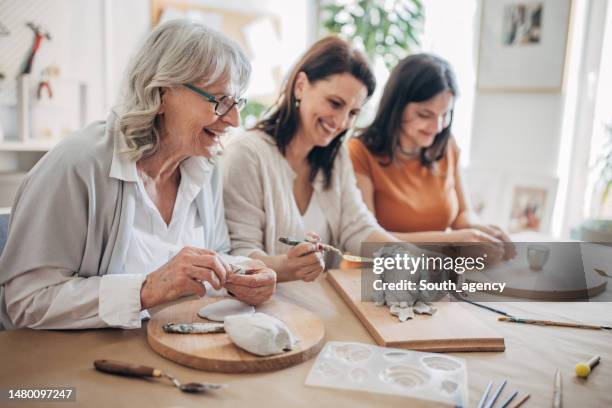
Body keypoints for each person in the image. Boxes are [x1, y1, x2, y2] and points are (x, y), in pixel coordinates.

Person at [0, 20, 276, 330]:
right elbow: (25, 302)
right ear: (160, 94)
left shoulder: (203, 167)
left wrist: (244, 273)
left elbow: (216, 254)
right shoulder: (78, 166)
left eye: (237, 102)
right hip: (82, 364)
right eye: (220, 101)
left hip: (175, 350)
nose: (234, 120)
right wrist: (148, 289)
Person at [222, 37, 404, 283]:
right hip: (264, 312)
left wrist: (410, 259)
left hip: (323, 305)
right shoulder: (247, 154)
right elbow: (239, 254)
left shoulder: (336, 155)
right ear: (300, 85)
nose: (341, 123)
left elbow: (358, 226)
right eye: (335, 103)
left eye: (352, 113)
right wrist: (287, 266)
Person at [349, 54, 514, 260]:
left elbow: (463, 215)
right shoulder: (359, 152)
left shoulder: (446, 146)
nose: (437, 127)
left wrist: (479, 230)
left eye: (445, 114)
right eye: (424, 115)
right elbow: (367, 239)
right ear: (396, 107)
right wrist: (453, 241)